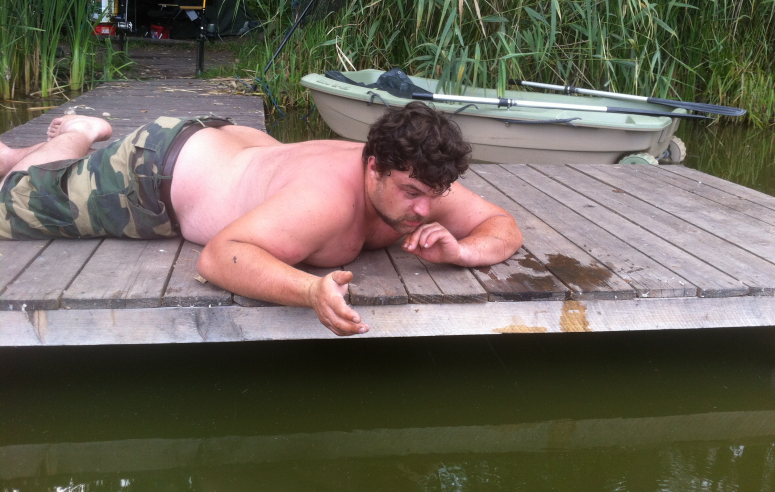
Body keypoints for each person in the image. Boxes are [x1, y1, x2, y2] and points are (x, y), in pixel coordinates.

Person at [0, 103, 523, 335]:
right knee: (13, 200)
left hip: (232, 147)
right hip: (154, 172)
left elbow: (502, 224)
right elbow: (220, 255)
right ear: (373, 167)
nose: (424, 210)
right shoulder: (326, 201)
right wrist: (310, 290)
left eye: (434, 196)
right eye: (412, 193)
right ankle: (81, 132)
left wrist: (463, 251)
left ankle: (23, 154)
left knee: (44, 177)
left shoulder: (417, 179)